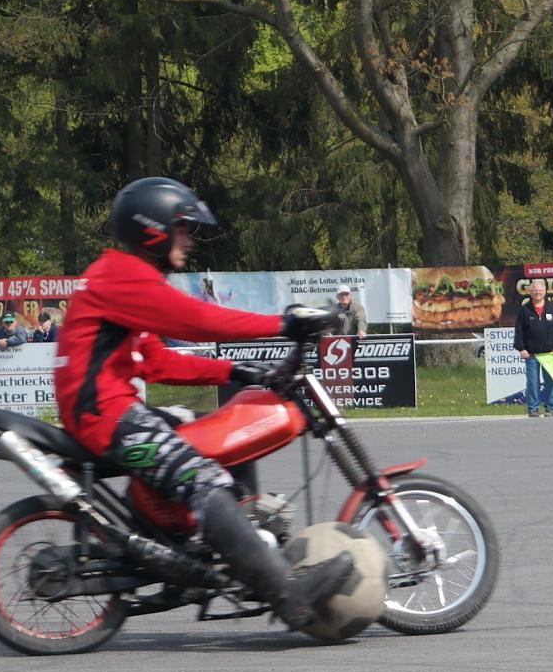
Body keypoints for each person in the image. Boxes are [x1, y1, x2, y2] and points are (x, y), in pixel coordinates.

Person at [55, 177, 351, 630]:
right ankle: (288, 594)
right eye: (182, 229)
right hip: (106, 417)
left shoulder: (121, 278)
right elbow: (194, 320)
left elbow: (156, 361)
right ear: (153, 229)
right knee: (205, 479)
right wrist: (283, 324)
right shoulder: (121, 277)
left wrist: (235, 372)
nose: (189, 240)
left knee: (223, 433)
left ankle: (221, 547)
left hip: (110, 411)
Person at [514, 278, 553, 417]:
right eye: (535, 290)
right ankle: (533, 408)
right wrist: (521, 348)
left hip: (551, 354)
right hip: (531, 354)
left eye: (540, 290)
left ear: (545, 291)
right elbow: (519, 331)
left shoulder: (552, 308)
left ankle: (551, 408)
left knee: (552, 382)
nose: (537, 292)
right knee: (533, 383)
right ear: (530, 292)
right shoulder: (524, 310)